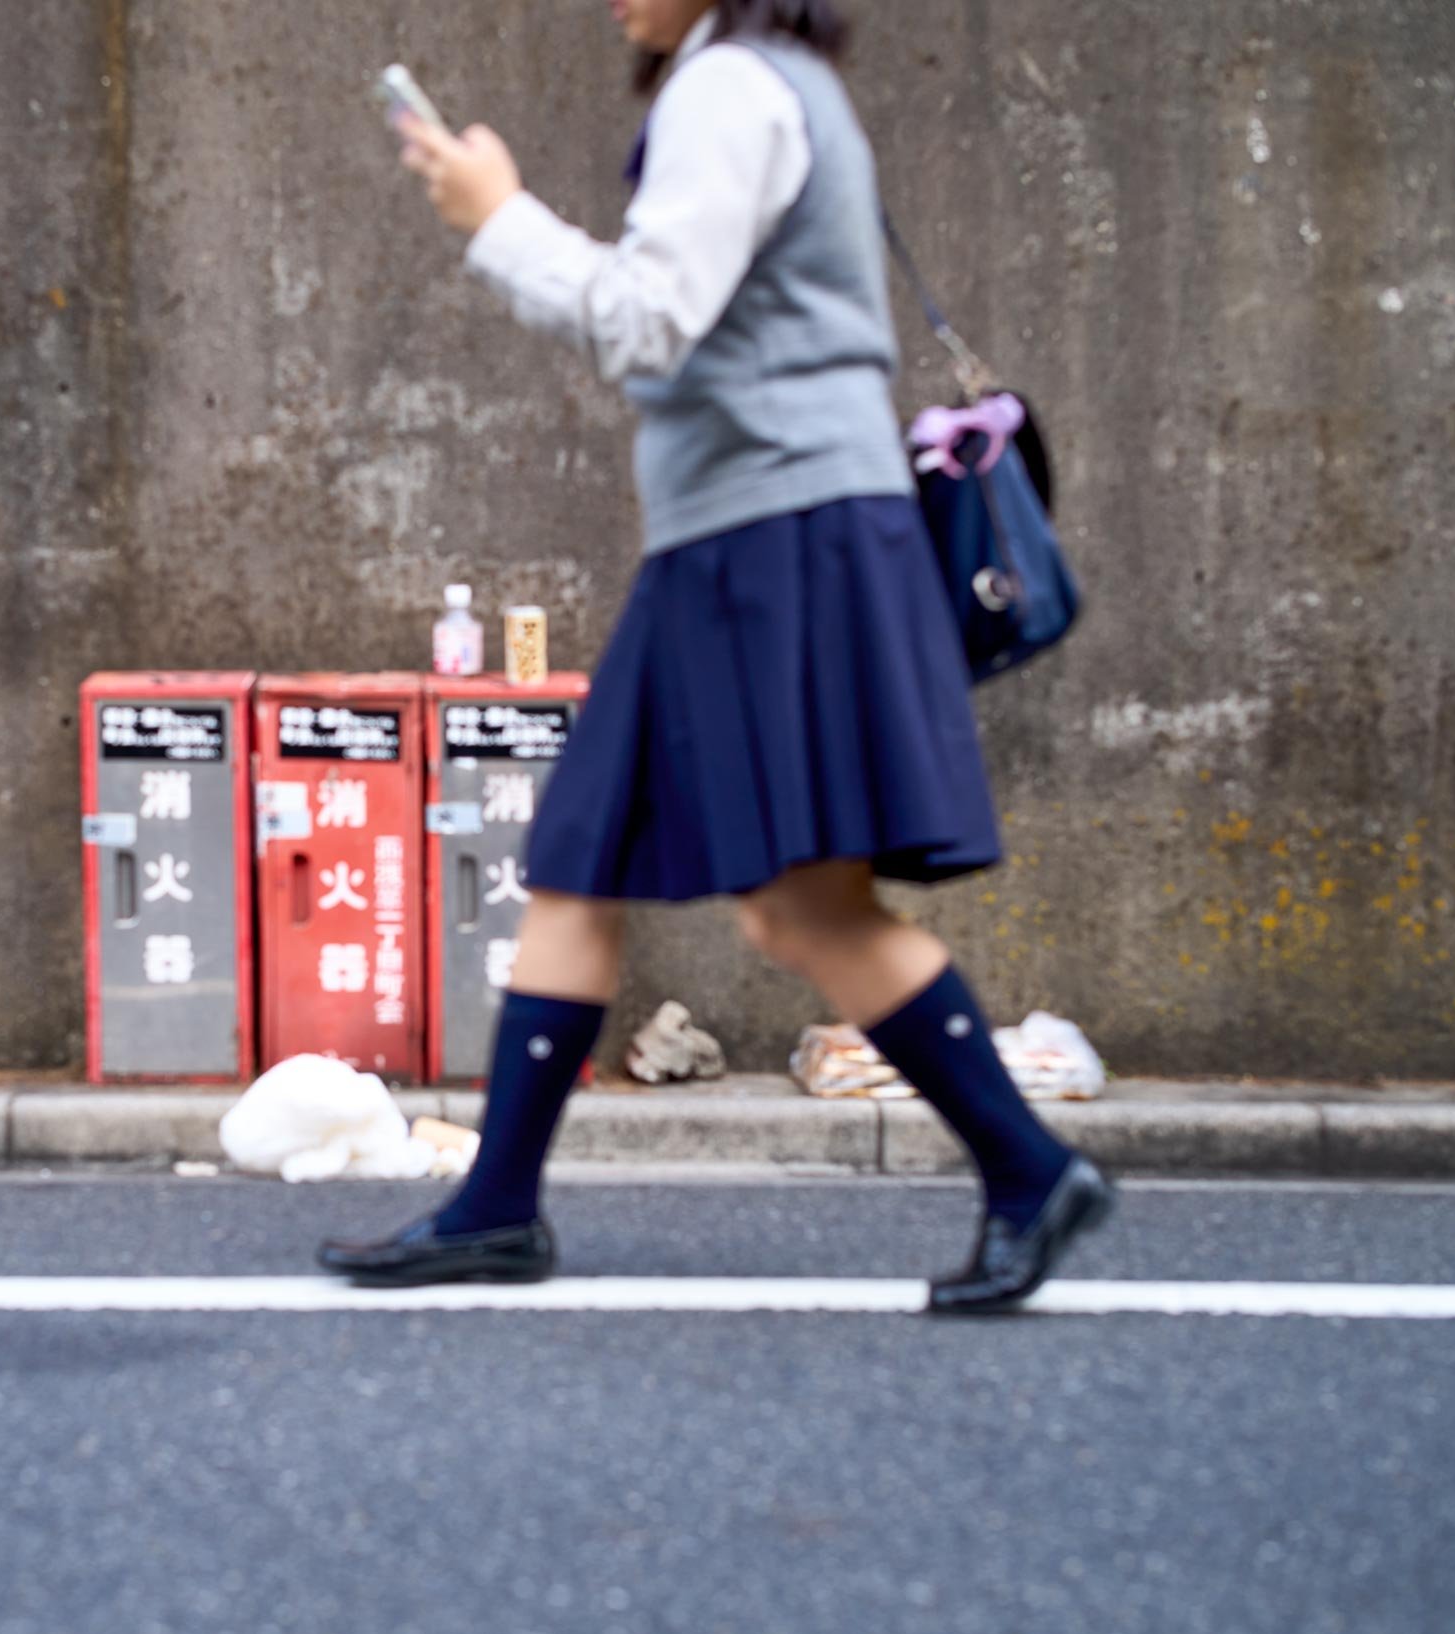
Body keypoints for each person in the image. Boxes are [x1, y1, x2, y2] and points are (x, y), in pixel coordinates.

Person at [319, 0, 1115, 1313]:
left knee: (795, 905)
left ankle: (1027, 1170)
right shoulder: (767, 81)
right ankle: (498, 1206)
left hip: (775, 539)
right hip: (742, 539)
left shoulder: (731, 88)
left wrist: (497, 215)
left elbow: (650, 323)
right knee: (599, 859)